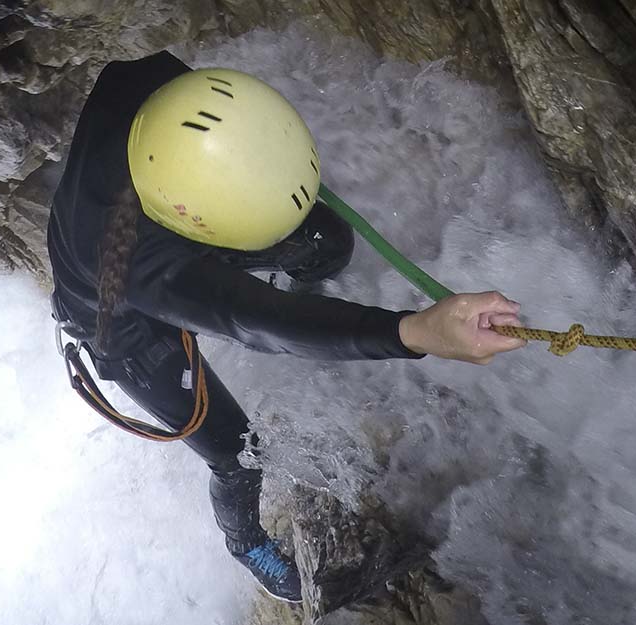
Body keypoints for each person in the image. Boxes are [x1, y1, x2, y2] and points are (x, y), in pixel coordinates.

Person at [46, 51, 526, 602]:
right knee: (237, 450)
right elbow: (260, 321)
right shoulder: (135, 264)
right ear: (194, 218)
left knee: (328, 242)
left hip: (155, 213)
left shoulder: (153, 85)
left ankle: (312, 289)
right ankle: (244, 542)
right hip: (120, 327)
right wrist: (417, 331)